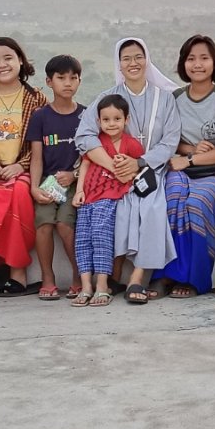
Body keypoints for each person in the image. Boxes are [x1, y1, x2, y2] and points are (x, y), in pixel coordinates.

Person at [74, 38, 181, 304]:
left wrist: (140, 163)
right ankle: (112, 274)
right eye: (126, 58)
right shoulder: (107, 98)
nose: (133, 63)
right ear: (118, 64)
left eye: (138, 57)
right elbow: (84, 136)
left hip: (150, 171)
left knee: (152, 208)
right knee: (119, 210)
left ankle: (138, 277)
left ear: (147, 59)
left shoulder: (164, 99)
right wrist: (115, 166)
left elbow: (170, 141)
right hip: (112, 175)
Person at [155, 35, 215, 299]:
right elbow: (169, 140)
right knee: (171, 201)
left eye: (204, 58)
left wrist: (192, 160)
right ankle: (166, 275)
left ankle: (194, 278)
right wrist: (190, 150)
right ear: (183, 64)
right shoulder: (175, 99)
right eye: (191, 58)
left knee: (197, 204)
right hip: (180, 169)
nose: (197, 64)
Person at [0, 37, 48, 298]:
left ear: (20, 60)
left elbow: (44, 141)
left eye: (8, 58)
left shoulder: (36, 99)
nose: (2, 64)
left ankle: (17, 272)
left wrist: (20, 166)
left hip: (23, 169)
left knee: (19, 194)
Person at [69, 95, 144, 308]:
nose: (112, 124)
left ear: (126, 120)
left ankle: (102, 285)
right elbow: (85, 164)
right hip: (89, 196)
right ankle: (86, 287)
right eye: (106, 120)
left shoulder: (132, 145)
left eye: (117, 119)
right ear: (99, 121)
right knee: (83, 238)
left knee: (101, 236)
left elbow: (138, 169)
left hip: (110, 197)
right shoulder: (96, 142)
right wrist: (79, 191)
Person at [26, 54, 85, 300]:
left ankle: (77, 276)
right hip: (48, 183)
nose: (67, 83)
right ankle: (48, 278)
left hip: (73, 183)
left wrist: (73, 175)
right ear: (49, 82)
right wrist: (34, 188)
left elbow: (91, 155)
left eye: (73, 78)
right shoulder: (41, 117)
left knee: (64, 224)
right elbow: (36, 158)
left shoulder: (86, 115)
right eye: (61, 78)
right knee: (44, 223)